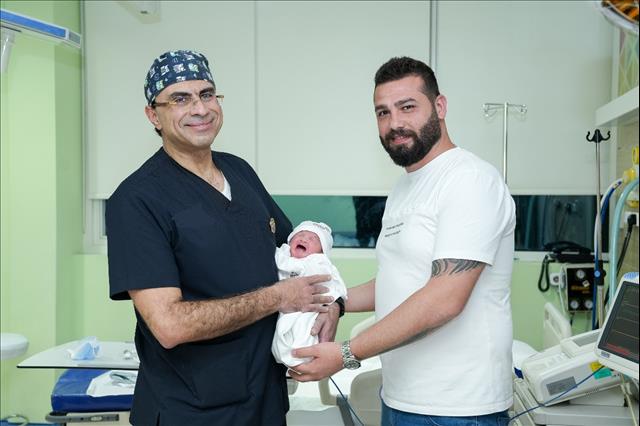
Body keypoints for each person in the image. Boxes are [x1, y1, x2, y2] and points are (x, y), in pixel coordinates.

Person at [105, 50, 340, 426]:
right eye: (180, 99)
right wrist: (278, 297)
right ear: (153, 115)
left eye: (207, 94)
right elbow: (169, 326)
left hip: (263, 400)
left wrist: (332, 306)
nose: (200, 108)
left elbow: (298, 255)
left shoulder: (239, 171)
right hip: (190, 411)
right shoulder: (136, 201)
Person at [292, 56, 516, 426]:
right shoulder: (405, 187)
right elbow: (399, 279)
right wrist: (337, 302)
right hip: (401, 398)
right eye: (383, 112)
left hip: (457, 409)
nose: (394, 123)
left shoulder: (470, 180)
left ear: (439, 106)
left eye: (407, 107)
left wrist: (346, 353)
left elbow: (443, 299)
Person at [271, 221, 348, 367]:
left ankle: (303, 358)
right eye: (300, 234)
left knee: (305, 329)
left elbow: (335, 286)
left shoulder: (319, 262)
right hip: (283, 307)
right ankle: (289, 357)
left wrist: (336, 302)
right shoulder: (282, 253)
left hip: (309, 309)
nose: (304, 239)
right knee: (281, 333)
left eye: (313, 239)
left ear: (321, 251)